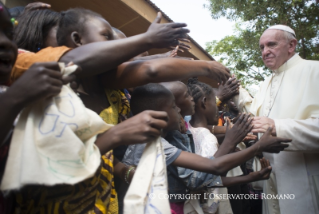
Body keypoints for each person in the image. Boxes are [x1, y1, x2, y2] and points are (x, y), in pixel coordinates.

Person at [250, 25, 319, 214]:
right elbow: (251, 111)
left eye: (271, 45)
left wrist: (277, 126)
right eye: (262, 48)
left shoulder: (315, 70)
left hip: (306, 178)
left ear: (291, 45)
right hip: (271, 179)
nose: (265, 52)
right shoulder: (265, 84)